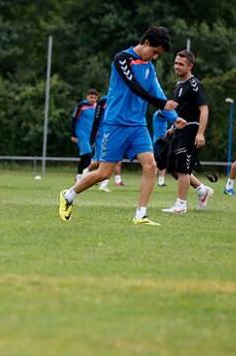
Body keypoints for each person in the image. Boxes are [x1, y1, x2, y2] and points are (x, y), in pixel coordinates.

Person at [58, 26, 185, 225]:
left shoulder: (149, 67)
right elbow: (133, 86)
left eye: (158, 55)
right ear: (145, 43)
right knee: (103, 173)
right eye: (155, 52)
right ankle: (68, 195)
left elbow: (158, 92)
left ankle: (140, 215)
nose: (155, 57)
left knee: (150, 165)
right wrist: (161, 105)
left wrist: (173, 117)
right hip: (115, 124)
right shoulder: (122, 59)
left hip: (138, 126)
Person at [162, 50, 214, 213]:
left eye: (181, 64)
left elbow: (204, 110)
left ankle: (181, 205)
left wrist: (200, 133)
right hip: (179, 130)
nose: (176, 66)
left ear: (190, 66)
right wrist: (172, 128)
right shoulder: (178, 86)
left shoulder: (195, 85)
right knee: (172, 167)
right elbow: (180, 111)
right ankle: (201, 190)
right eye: (176, 63)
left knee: (183, 169)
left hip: (191, 130)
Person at [70, 89, 98, 182]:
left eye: (95, 97)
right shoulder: (81, 106)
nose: (93, 99)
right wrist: (73, 134)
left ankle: (78, 176)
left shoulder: (97, 107)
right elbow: (74, 119)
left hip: (91, 135)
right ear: (87, 97)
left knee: (84, 156)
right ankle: (86, 178)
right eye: (91, 97)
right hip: (81, 134)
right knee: (87, 154)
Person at [152, 110, 168, 186]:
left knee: (163, 161)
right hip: (158, 141)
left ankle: (161, 181)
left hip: (163, 141)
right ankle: (151, 180)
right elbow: (167, 115)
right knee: (156, 162)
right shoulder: (158, 114)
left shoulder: (163, 117)